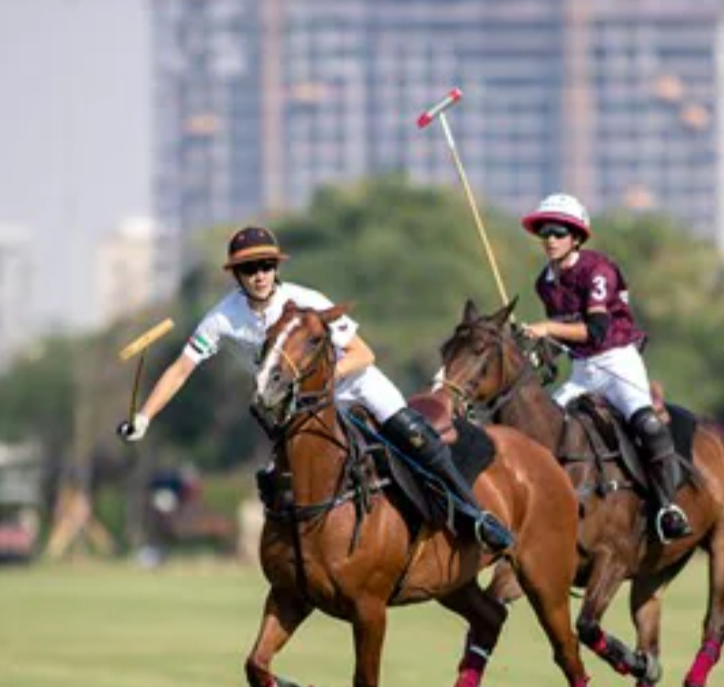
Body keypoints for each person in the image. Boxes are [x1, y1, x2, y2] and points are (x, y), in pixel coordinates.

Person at [117, 225, 514, 553]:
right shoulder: (223, 318)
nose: (259, 274)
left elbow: (364, 354)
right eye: (250, 268)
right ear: (236, 274)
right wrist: (144, 417)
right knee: (275, 474)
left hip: (355, 382)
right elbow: (181, 369)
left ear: (276, 267)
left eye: (266, 265)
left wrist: (324, 381)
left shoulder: (306, 301)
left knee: (415, 436)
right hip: (301, 403)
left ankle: (475, 515)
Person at [519, 194, 691, 543]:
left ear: (576, 238)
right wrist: (536, 350)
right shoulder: (545, 282)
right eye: (545, 233)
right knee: (538, 429)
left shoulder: (597, 270)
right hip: (582, 370)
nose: (550, 239)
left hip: (617, 363)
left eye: (558, 232)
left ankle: (667, 508)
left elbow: (596, 330)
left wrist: (547, 328)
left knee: (648, 425)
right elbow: (564, 337)